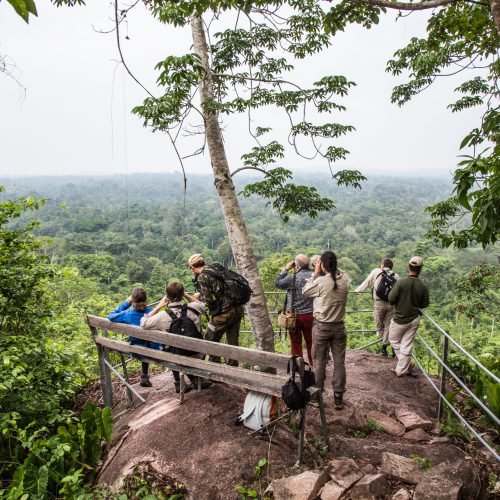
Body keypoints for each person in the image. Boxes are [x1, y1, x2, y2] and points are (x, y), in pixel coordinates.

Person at [141, 281, 211, 393]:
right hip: (198, 354)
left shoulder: (162, 316)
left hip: (177, 358)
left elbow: (143, 323)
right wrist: (187, 295)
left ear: (167, 297)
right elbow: (204, 306)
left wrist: (159, 305)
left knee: (171, 349)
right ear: (182, 293)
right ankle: (196, 380)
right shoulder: (194, 308)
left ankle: (179, 382)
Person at [303, 251, 351, 410]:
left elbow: (305, 291)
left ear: (323, 265)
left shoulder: (321, 282)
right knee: (339, 362)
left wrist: (316, 273)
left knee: (319, 361)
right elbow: (342, 275)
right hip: (339, 327)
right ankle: (338, 397)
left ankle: (316, 396)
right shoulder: (345, 281)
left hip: (322, 327)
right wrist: (330, 267)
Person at [188, 253, 243, 366]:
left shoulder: (203, 276)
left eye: (190, 268)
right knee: (232, 341)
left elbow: (207, 301)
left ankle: (215, 367)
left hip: (225, 313)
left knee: (210, 339)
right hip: (237, 309)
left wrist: (196, 297)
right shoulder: (215, 268)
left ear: (193, 267)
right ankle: (233, 367)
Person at [108, 287, 163, 388]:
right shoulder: (153, 313)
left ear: (133, 302)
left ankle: (144, 376)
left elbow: (111, 316)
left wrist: (126, 302)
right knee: (150, 343)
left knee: (143, 345)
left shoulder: (127, 314)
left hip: (135, 349)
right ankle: (177, 381)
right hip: (153, 351)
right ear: (146, 300)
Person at [388, 256, 429, 378]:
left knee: (394, 340)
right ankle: (402, 369)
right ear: (420, 269)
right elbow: (425, 304)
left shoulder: (401, 282)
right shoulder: (423, 286)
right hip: (414, 319)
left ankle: (402, 368)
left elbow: (391, 299)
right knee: (407, 344)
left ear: (408, 267)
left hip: (400, 318)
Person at [275, 255, 314, 365]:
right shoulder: (314, 276)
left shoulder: (292, 277)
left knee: (296, 342)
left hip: (294, 316)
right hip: (311, 314)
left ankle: (298, 368)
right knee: (311, 342)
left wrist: (286, 269)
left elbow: (278, 283)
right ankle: (315, 366)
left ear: (296, 265)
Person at [355, 258, 399, 356]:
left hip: (379, 303)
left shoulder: (376, 271)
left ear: (382, 265)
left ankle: (382, 341)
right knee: (388, 325)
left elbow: (367, 282)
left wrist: (359, 290)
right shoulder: (396, 276)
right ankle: (386, 347)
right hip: (391, 304)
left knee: (379, 324)